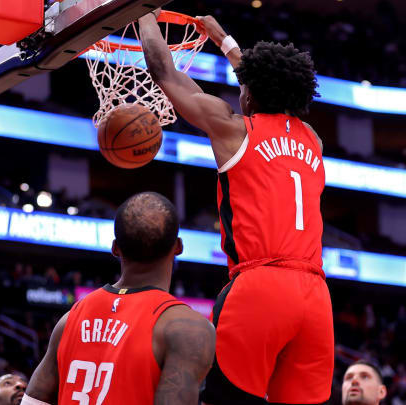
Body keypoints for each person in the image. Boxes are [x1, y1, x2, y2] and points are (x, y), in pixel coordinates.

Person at [139, 11, 333, 404]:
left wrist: (140, 12)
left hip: (260, 287)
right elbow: (269, 88)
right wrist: (226, 43)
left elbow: (164, 72)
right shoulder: (312, 139)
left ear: (250, 93)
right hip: (316, 298)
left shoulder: (233, 128)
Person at [23, 192, 215, 405]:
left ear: (115, 248)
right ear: (178, 246)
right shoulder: (187, 328)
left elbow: (32, 402)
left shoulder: (69, 320)